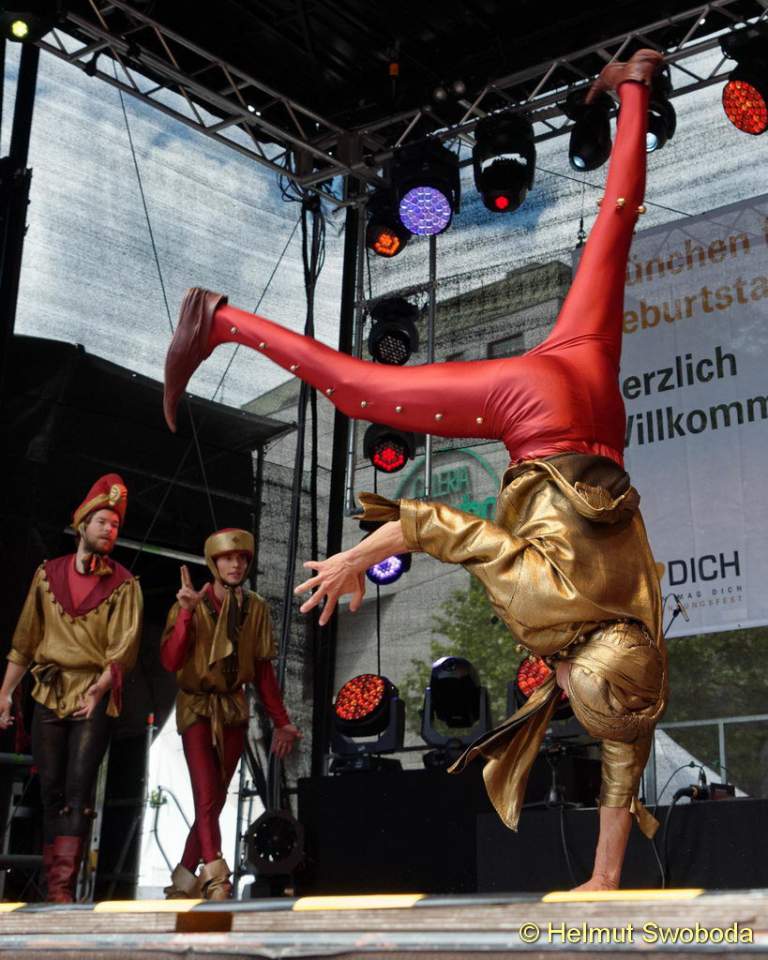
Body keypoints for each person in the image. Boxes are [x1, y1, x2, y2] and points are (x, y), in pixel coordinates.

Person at [163, 50, 667, 891]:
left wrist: (606, 880)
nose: (576, 714)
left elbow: (626, 749)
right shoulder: (552, 616)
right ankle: (220, 321)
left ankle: (637, 82)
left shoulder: (638, 646)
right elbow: (439, 525)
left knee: (616, 223)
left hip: (597, 407)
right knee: (362, 391)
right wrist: (355, 558)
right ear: (580, 680)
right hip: (538, 415)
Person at [0, 474, 143, 903]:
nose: (109, 530)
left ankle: (61, 888)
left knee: (79, 789)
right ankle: (52, 884)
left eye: (115, 525)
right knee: (52, 790)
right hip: (49, 691)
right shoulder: (47, 575)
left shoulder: (124, 585)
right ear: (82, 524)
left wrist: (98, 691)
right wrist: (5, 693)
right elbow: (25, 641)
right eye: (102, 522)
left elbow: (122, 652)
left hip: (92, 693)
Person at [160, 528, 301, 900]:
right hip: (197, 706)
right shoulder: (192, 602)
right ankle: (217, 877)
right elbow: (171, 660)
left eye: (241, 558)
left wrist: (282, 721)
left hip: (233, 708)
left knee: (215, 799)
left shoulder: (256, 607)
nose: (235, 564)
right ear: (213, 562)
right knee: (207, 795)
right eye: (227, 558)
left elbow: (264, 672)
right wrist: (186, 613)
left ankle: (182, 883)